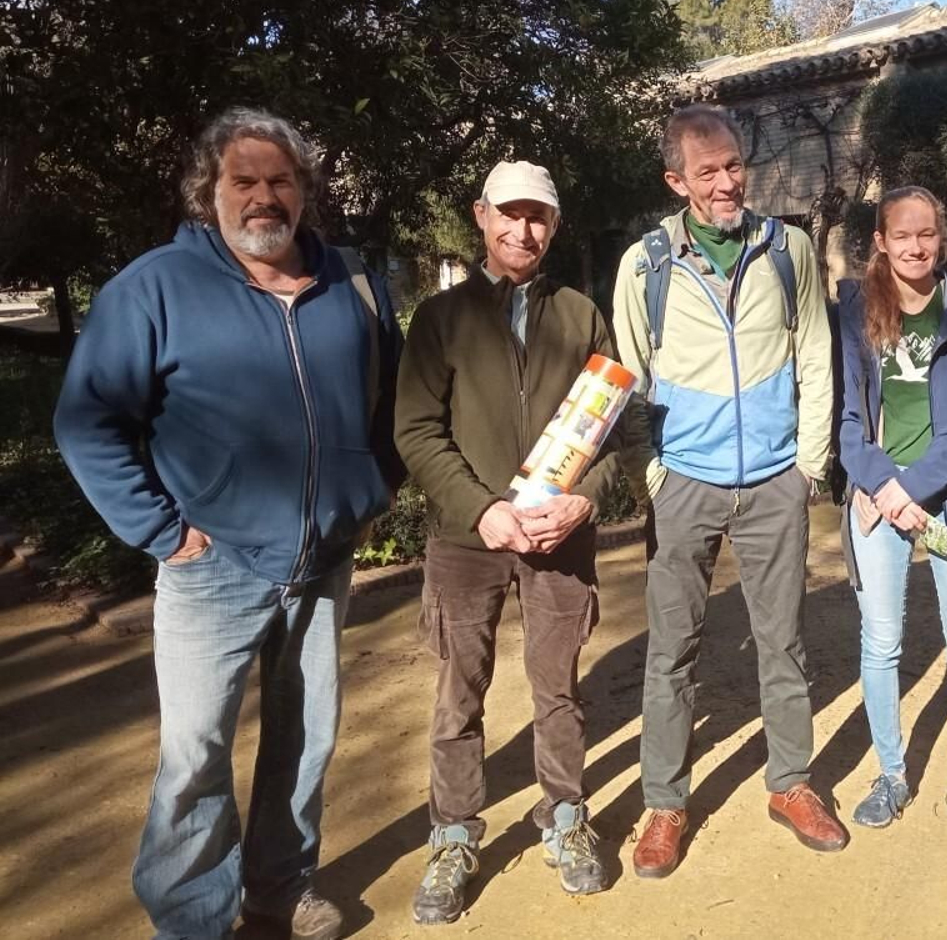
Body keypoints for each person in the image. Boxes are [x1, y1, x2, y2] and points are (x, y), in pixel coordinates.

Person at [53, 108, 404, 940]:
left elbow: (391, 397)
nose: (263, 198)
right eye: (242, 181)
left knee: (307, 738)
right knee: (195, 756)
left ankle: (281, 886)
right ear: (207, 190)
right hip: (211, 566)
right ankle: (193, 919)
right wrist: (163, 531)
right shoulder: (154, 288)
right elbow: (86, 421)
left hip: (323, 559)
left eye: (280, 180)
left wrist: (371, 487)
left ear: (304, 191)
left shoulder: (350, 284)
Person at [612, 104, 842, 878]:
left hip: (776, 481)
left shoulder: (790, 249)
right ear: (676, 180)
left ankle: (792, 784)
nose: (726, 182)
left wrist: (808, 462)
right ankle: (665, 802)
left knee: (784, 643)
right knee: (672, 651)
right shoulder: (645, 265)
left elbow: (814, 345)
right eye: (706, 170)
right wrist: (655, 472)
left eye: (734, 164)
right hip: (686, 486)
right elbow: (628, 378)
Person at [394, 161, 622, 917]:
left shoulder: (581, 315)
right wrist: (480, 509)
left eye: (539, 217)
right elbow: (417, 432)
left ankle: (563, 815)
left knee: (558, 687)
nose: (523, 230)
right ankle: (454, 832)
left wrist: (583, 504)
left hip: (559, 540)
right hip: (468, 542)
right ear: (481, 216)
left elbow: (613, 435)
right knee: (460, 692)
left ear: (554, 226)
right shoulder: (441, 318)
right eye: (510, 214)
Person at [836, 187, 947, 841]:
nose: (916, 245)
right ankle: (891, 774)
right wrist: (884, 487)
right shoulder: (855, 309)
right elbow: (848, 419)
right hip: (877, 504)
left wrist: (911, 491)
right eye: (902, 234)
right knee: (881, 644)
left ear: (941, 239)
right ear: (881, 240)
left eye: (927, 234)